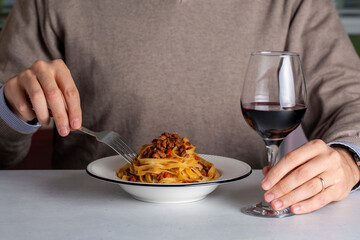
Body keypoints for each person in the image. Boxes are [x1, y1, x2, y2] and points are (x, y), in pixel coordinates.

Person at [0, 0, 359, 215]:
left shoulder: (295, 4)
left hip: (245, 219)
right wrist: (10, 107)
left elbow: (351, 98)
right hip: (80, 218)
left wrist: (348, 157)